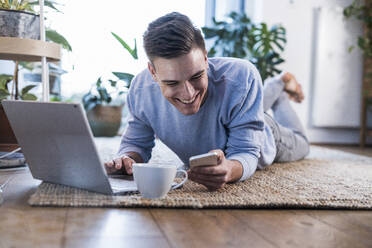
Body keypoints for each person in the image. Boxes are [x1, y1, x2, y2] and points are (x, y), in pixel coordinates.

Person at [104, 12, 309, 191]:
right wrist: (127, 160)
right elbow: (135, 144)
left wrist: (230, 169)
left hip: (266, 134)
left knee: (303, 144)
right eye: (172, 82)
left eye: (196, 77)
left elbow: (245, 151)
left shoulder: (241, 76)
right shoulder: (141, 90)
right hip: (231, 113)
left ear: (205, 57)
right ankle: (277, 85)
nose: (188, 94)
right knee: (238, 104)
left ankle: (279, 90)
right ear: (153, 73)